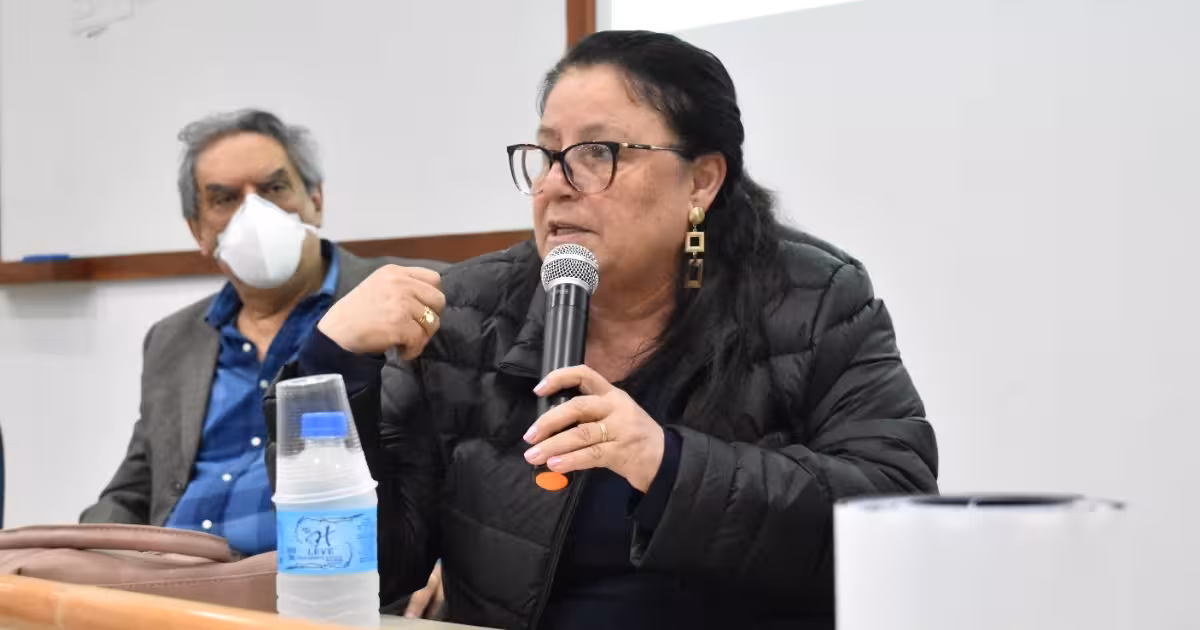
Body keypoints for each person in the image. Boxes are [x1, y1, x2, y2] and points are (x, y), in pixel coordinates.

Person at [267, 31, 938, 630]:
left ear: (702, 181)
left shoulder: (813, 297)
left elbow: (893, 515)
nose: (555, 185)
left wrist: (666, 463)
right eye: (547, 154)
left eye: (597, 152)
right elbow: (379, 570)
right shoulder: (470, 311)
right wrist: (330, 370)